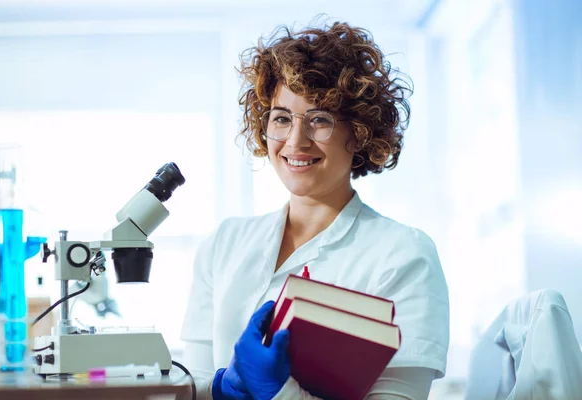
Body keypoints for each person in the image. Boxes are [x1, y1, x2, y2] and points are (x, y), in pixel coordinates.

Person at [180, 21, 450, 400]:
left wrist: (279, 393)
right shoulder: (224, 243)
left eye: (319, 119)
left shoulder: (405, 254)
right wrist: (222, 389)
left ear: (358, 132)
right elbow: (190, 385)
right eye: (282, 118)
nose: (295, 140)